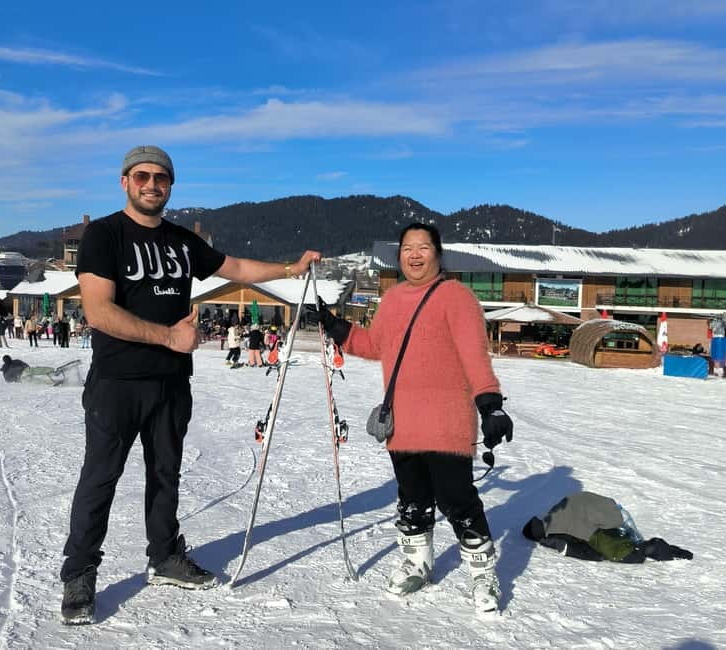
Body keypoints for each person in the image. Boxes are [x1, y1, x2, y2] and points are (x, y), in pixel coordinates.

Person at [59, 145, 320, 625]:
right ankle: (79, 574)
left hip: (172, 383)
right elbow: (98, 311)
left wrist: (289, 269)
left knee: (166, 475)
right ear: (125, 181)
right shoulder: (104, 235)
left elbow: (235, 269)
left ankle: (164, 556)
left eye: (161, 177)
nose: (151, 184)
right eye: (142, 176)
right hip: (118, 381)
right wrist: (171, 337)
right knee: (100, 479)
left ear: (170, 185)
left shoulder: (181, 240)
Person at [312, 222, 513, 617]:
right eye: (407, 248)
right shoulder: (392, 299)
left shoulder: (457, 297)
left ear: (438, 254)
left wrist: (491, 404)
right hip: (401, 421)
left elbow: (475, 356)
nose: (415, 254)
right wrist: (339, 328)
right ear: (399, 255)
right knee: (412, 498)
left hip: (447, 422)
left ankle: (482, 575)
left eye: (423, 247)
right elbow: (375, 346)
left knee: (458, 500)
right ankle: (417, 563)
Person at [522, 491, 693, 563]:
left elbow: (579, 549)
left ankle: (662, 550)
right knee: (629, 544)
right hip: (604, 512)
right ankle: (665, 550)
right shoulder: (552, 514)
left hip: (601, 525)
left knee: (626, 552)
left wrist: (596, 555)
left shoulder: (552, 531)